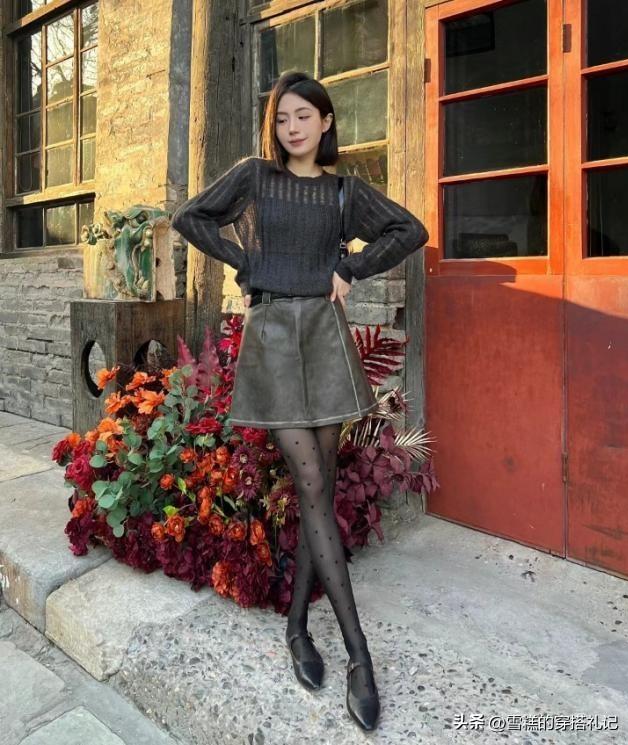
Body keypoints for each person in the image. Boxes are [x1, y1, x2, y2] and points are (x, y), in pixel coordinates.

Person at [171, 70, 429, 732]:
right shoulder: (254, 178)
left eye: (303, 116)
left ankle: (296, 626)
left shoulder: (345, 193)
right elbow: (190, 217)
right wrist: (243, 262)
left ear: (326, 121)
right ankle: (359, 657)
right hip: (272, 336)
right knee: (311, 483)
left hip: (324, 335)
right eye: (282, 117)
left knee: (319, 489)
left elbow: (409, 229)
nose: (291, 127)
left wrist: (351, 268)